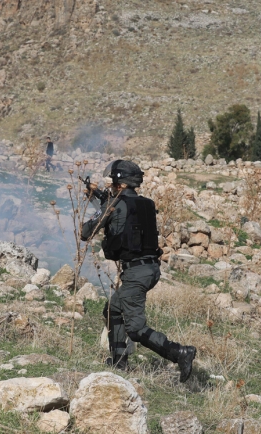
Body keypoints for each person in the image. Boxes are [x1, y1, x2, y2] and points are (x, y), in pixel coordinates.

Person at [81, 160, 197, 383]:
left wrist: (100, 204)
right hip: (150, 268)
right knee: (113, 309)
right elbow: (125, 218)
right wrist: (101, 200)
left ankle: (180, 353)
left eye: (113, 182)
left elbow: (86, 232)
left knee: (135, 328)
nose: (111, 185)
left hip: (136, 273)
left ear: (120, 183)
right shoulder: (145, 203)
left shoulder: (115, 203)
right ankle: (119, 361)